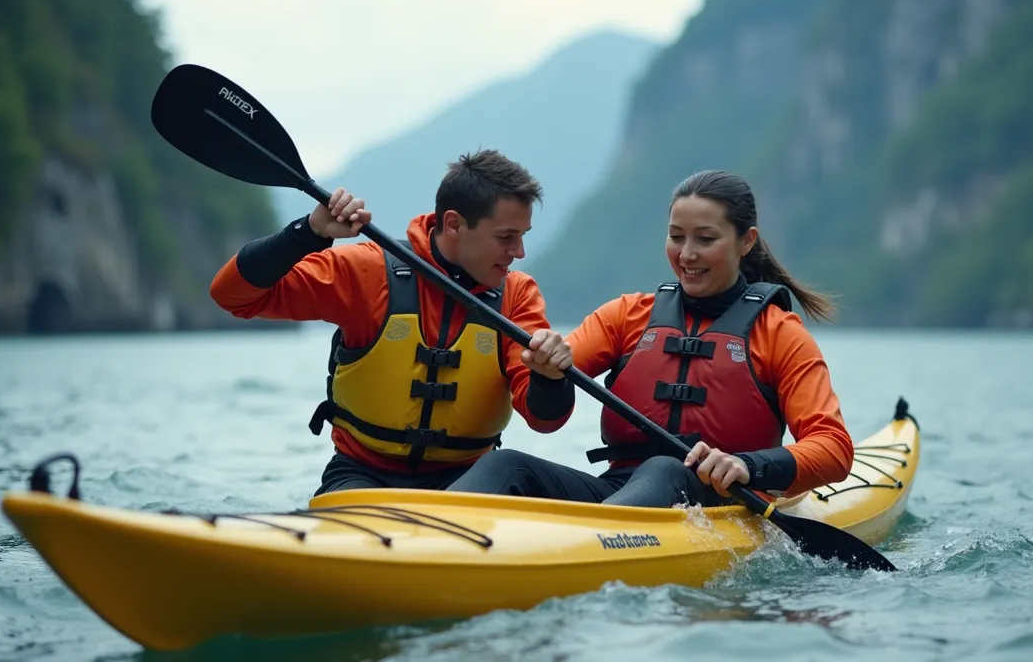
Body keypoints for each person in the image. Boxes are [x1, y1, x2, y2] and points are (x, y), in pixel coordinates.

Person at [445, 169, 854, 508]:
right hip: (620, 494)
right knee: (508, 465)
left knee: (666, 467)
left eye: (705, 239)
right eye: (677, 237)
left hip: (722, 503)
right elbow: (543, 416)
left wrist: (748, 465)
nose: (687, 254)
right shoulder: (628, 316)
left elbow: (834, 447)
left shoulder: (780, 334)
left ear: (746, 241)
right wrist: (548, 375)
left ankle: (589, 543)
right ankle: (426, 533)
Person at [209, 149, 577, 495]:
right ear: (454, 225)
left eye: (522, 237)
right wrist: (310, 231)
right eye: (506, 237)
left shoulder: (517, 296)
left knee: (507, 468)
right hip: (362, 476)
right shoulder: (369, 273)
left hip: (470, 484)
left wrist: (550, 376)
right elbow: (233, 295)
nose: (520, 252)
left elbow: (545, 420)